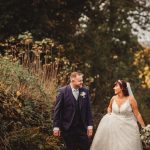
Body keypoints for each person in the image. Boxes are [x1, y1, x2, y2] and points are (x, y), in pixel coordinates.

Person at [90, 80, 145, 150]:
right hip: (113, 127)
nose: (114, 88)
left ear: (122, 88)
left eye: (116, 86)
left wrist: (144, 127)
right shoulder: (113, 98)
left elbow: (137, 114)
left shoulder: (131, 99)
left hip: (128, 128)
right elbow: (109, 107)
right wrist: (109, 113)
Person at [53, 71, 93, 150]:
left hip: (82, 128)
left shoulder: (85, 91)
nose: (82, 82)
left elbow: (88, 109)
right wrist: (56, 127)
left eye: (82, 80)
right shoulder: (62, 91)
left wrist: (90, 126)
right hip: (68, 128)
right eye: (79, 81)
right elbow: (57, 110)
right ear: (72, 80)